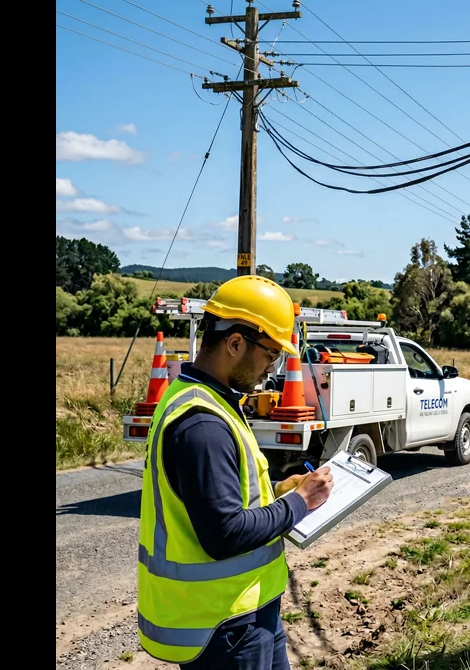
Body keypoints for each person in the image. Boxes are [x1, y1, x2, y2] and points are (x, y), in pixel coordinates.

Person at [136, 275, 336, 669]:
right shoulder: (203, 424)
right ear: (234, 343)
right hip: (225, 625)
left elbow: (220, 494)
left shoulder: (202, 399)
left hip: (243, 613)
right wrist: (299, 502)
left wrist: (279, 489)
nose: (273, 368)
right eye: (269, 355)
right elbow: (224, 533)